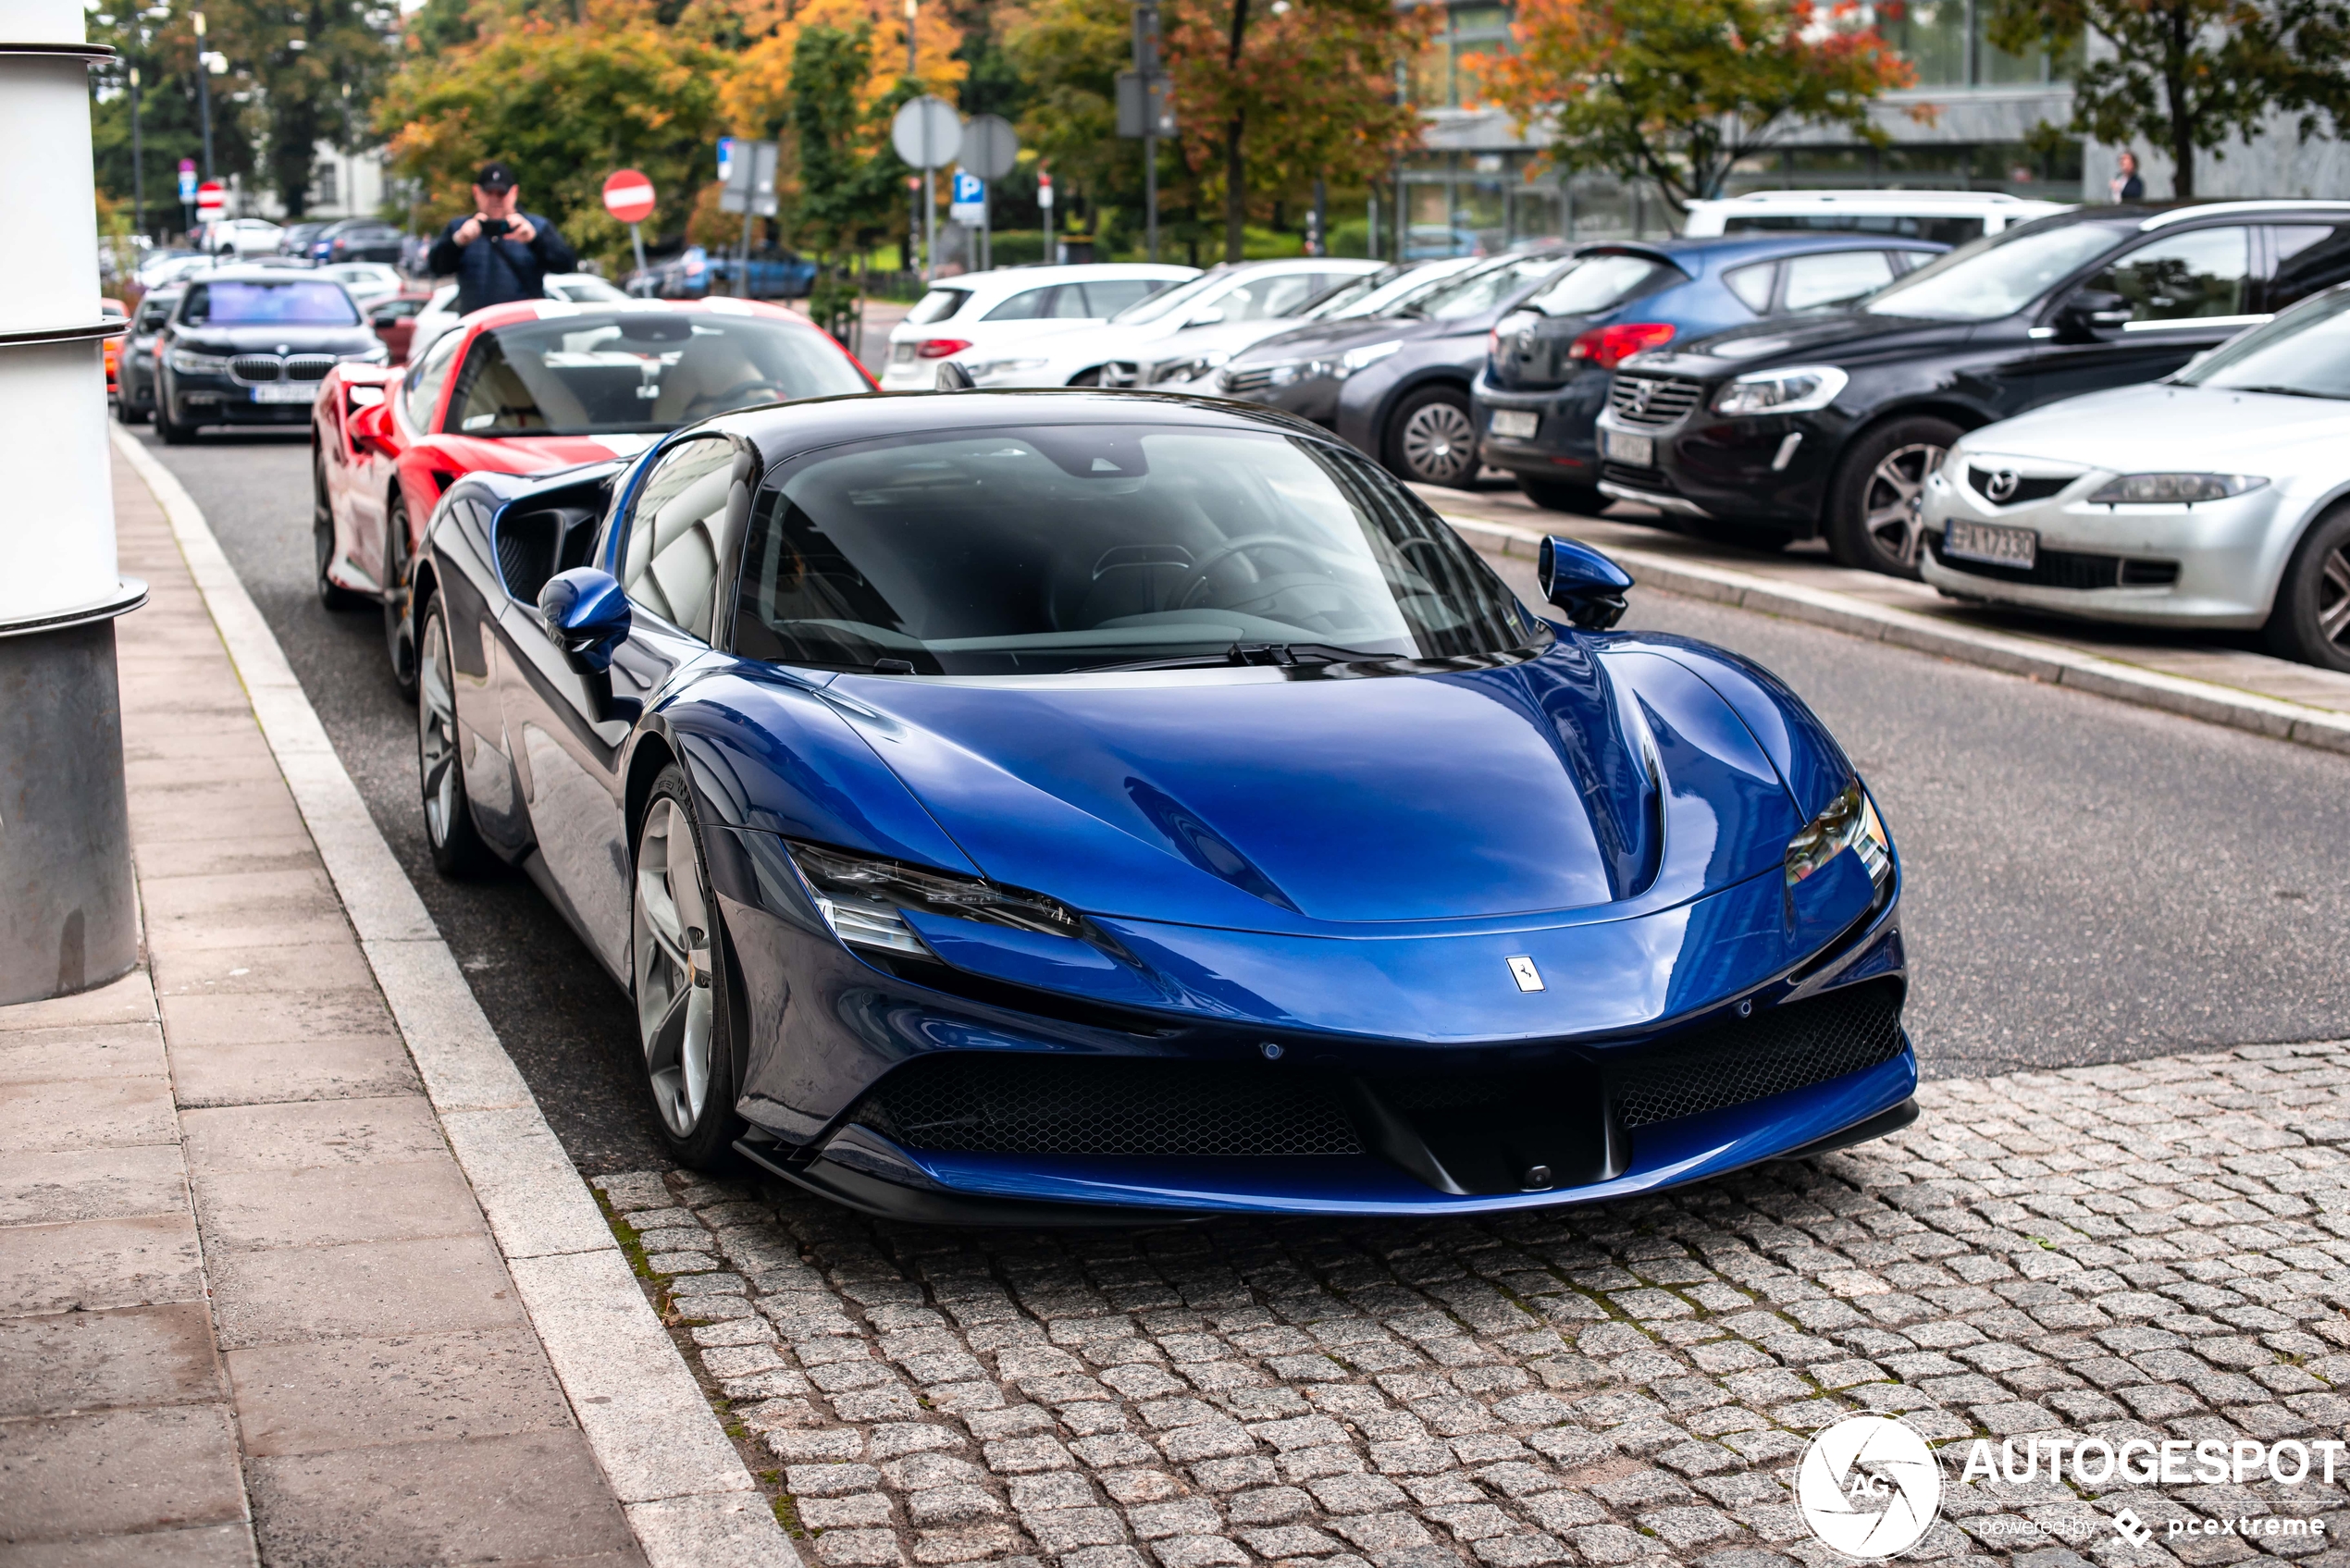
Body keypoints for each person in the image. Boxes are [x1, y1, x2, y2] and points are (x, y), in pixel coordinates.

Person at [427, 161, 578, 316]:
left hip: (523, 328)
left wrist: (535, 240)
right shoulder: (460, 228)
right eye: (489, 193)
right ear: (476, 192)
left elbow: (565, 265)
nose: (495, 199)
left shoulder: (536, 227)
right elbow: (436, 268)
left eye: (501, 193)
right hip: (479, 328)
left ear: (514, 192)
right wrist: (457, 242)